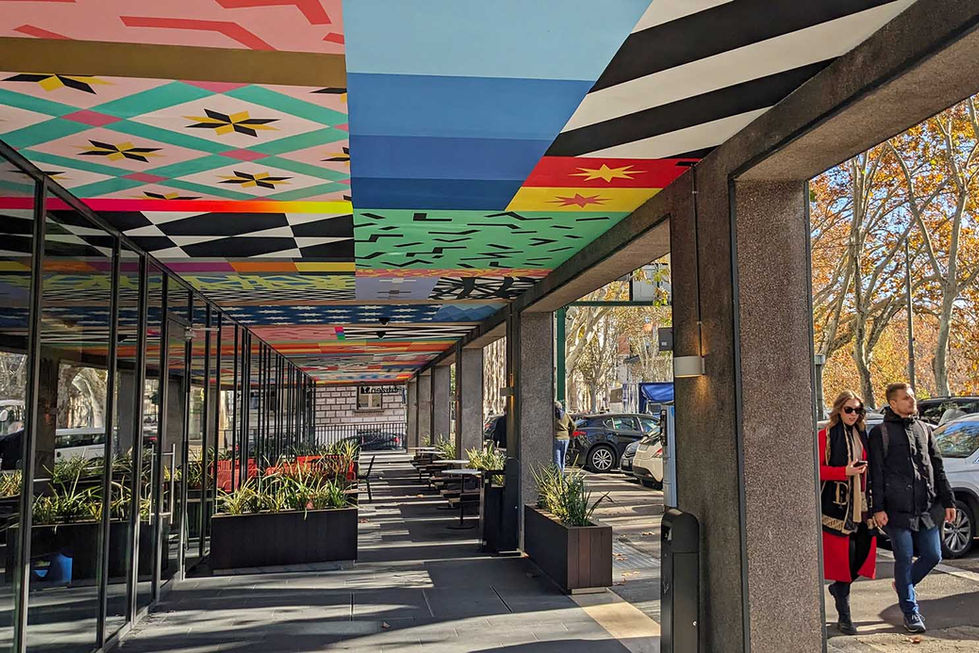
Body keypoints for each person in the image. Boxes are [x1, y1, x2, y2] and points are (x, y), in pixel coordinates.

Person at [868, 382, 956, 634]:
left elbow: (937, 467)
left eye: (912, 397)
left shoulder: (924, 429)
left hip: (926, 506)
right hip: (896, 510)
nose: (911, 401)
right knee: (904, 556)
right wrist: (878, 508)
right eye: (906, 398)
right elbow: (876, 473)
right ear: (893, 403)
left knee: (933, 555)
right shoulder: (881, 433)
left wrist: (948, 501)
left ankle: (904, 584)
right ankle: (910, 611)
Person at [819, 391, 876, 635]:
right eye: (849, 410)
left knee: (862, 552)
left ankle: (839, 589)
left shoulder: (863, 435)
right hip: (836, 506)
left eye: (858, 410)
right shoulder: (826, 436)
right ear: (839, 410)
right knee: (844, 560)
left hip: (862, 504)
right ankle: (845, 614)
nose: (853, 415)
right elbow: (816, 469)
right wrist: (844, 471)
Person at [553, 401, 574, 472]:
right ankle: (562, 475)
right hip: (565, 438)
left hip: (556, 438)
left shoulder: (553, 416)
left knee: (557, 459)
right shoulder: (566, 415)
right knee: (563, 458)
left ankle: (558, 477)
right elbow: (573, 425)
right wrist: (569, 433)